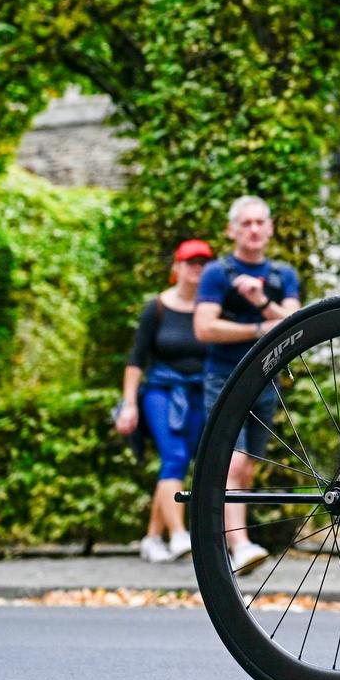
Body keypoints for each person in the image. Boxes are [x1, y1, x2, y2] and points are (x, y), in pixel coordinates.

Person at [194, 196, 301, 575]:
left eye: (260, 222)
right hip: (223, 379)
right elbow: (204, 327)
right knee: (232, 461)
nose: (254, 229)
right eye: (246, 223)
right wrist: (259, 329)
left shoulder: (281, 275)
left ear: (270, 228)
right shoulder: (216, 274)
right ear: (232, 230)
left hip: (265, 380)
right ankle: (238, 546)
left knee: (248, 468)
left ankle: (224, 535)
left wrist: (260, 301)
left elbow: (298, 323)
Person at [115, 239, 216, 562]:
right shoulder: (156, 307)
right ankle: (179, 535)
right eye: (190, 262)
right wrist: (129, 403)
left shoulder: (210, 309)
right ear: (176, 268)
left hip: (198, 393)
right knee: (173, 456)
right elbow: (135, 359)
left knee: (184, 461)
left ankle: (152, 537)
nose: (196, 268)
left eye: (203, 263)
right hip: (162, 392)